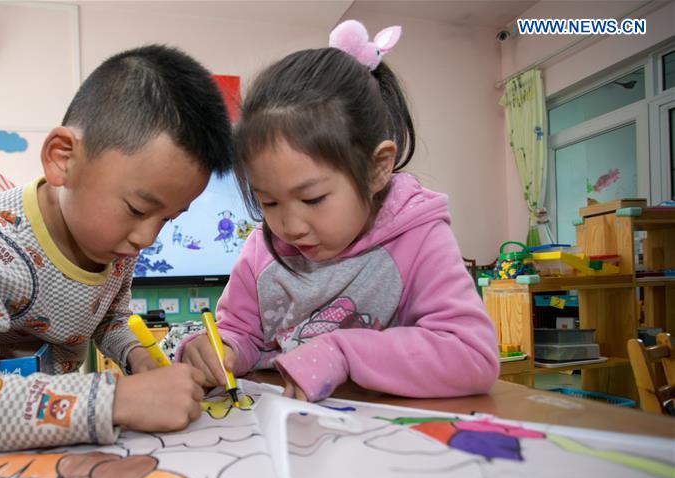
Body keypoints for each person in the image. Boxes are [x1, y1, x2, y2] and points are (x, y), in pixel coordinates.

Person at [0, 45, 233, 453]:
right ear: (62, 158)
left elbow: (108, 319)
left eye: (169, 219)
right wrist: (115, 400)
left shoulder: (115, 242)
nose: (147, 238)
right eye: (139, 208)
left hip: (54, 452)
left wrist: (140, 358)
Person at [178, 21, 498, 402]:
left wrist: (345, 352)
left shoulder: (419, 236)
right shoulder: (263, 250)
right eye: (269, 202)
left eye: (312, 199)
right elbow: (241, 333)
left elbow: (472, 356)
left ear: (376, 168)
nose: (290, 227)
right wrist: (219, 350)